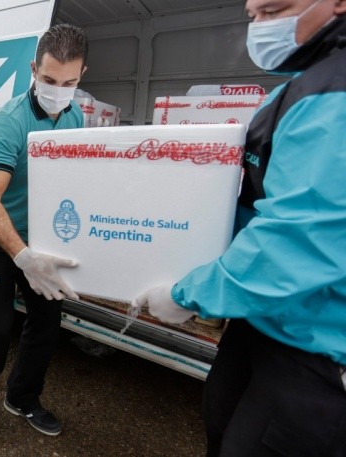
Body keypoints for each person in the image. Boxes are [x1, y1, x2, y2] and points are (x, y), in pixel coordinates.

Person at [132, 1, 346, 455]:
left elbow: (298, 243)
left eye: (276, 11)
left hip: (318, 351)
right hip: (262, 321)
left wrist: (187, 293)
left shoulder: (336, 92)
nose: (262, 28)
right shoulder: (299, 85)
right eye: (255, 16)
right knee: (220, 420)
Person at [0, 24, 88, 440]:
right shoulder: (8, 122)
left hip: (42, 238)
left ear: (82, 75)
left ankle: (23, 398)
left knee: (47, 322)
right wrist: (21, 255)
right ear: (34, 69)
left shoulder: (76, 117)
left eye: (69, 82)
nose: (58, 90)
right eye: (50, 80)